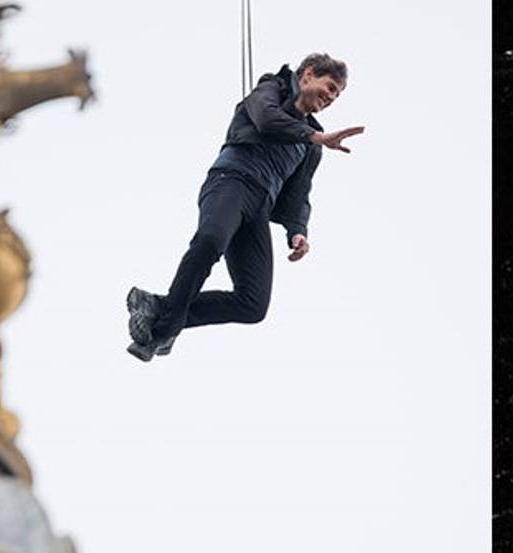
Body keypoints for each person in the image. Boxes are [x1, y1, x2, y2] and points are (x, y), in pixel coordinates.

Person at [126, 53, 364, 361]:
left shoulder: (311, 147)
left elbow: (298, 194)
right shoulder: (271, 89)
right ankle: (164, 329)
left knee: (253, 304)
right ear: (308, 75)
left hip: (259, 207)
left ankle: (158, 308)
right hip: (232, 181)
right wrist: (315, 136)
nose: (331, 97)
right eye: (330, 86)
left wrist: (297, 231)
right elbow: (265, 119)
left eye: (337, 94)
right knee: (210, 240)